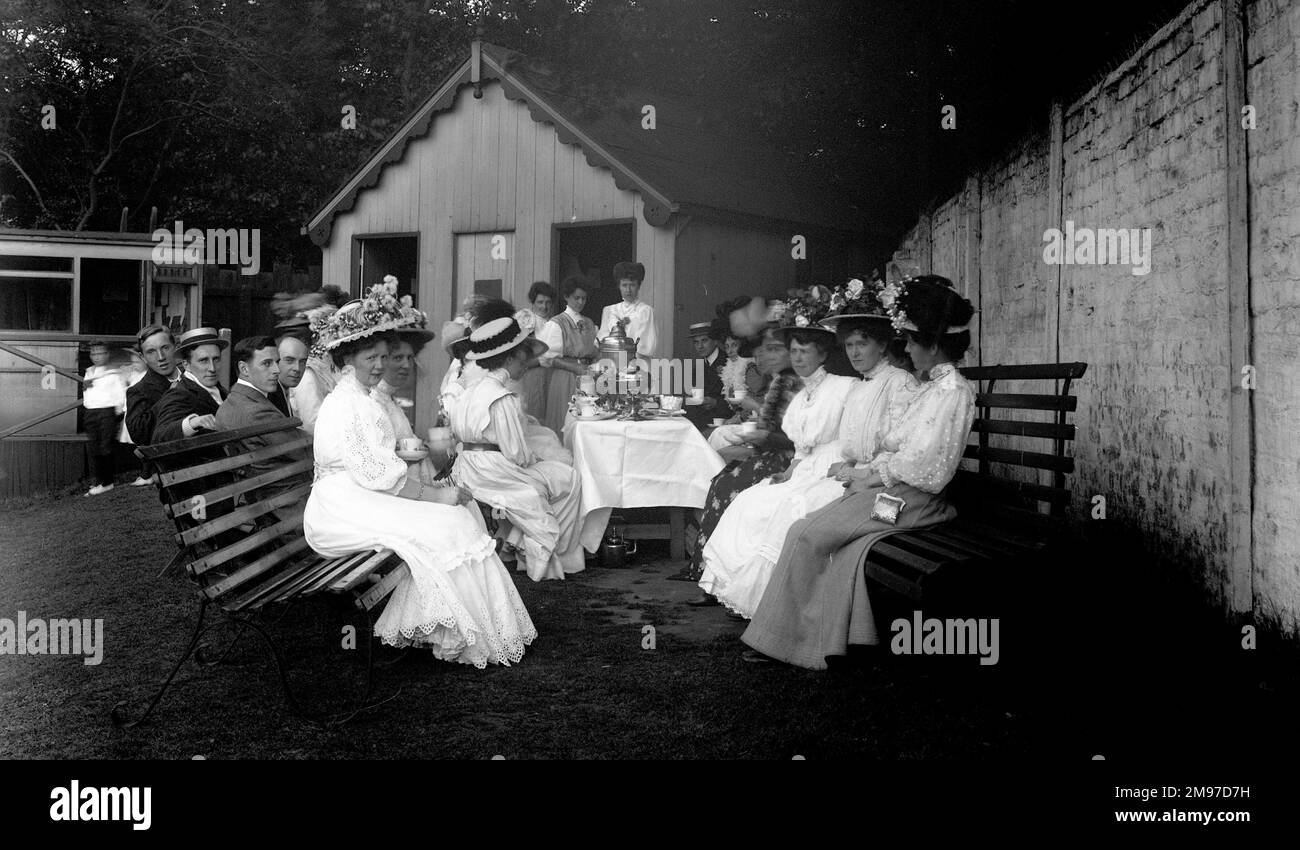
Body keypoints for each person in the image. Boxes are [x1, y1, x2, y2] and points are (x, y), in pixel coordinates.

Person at [741, 275, 977, 668]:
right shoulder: (930, 389)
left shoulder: (952, 392)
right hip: (894, 495)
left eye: (913, 343)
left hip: (909, 503)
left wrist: (871, 476)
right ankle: (810, 639)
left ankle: (787, 642)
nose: (909, 350)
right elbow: (894, 445)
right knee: (818, 532)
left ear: (934, 345)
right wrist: (871, 470)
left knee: (810, 533)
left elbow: (929, 469)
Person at [303, 289, 536, 667]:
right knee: (445, 524)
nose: (379, 365)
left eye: (383, 356)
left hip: (358, 494)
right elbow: (382, 477)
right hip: (340, 505)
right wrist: (438, 496)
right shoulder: (347, 403)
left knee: (454, 521)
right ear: (348, 358)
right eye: (371, 357)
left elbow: (381, 475)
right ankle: (449, 629)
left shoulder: (361, 397)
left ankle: (457, 626)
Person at [696, 314, 919, 618]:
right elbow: (805, 445)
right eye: (850, 344)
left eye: (861, 344)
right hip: (827, 469)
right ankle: (745, 592)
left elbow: (887, 446)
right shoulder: (856, 386)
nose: (854, 352)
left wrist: (854, 471)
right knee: (750, 501)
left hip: (873, 488)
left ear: (881, 346)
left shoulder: (858, 385)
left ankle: (780, 608)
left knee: (791, 510)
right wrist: (790, 472)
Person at [449, 317, 586, 581]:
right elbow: (517, 455)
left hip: (466, 467)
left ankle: (520, 543)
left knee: (553, 474)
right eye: (523, 357)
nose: (526, 364)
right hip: (494, 473)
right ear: (508, 359)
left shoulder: (469, 391)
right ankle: (545, 558)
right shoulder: (501, 397)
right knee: (570, 479)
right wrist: (538, 458)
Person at [670, 324, 803, 584]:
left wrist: (759, 431)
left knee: (724, 484)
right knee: (719, 479)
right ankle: (707, 569)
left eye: (776, 350)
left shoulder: (792, 383)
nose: (767, 356)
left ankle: (714, 574)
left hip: (786, 459)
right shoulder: (780, 380)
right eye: (765, 350)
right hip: (770, 452)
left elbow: (794, 436)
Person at [214, 336, 313, 502]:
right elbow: (305, 450)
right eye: (267, 363)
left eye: (276, 362)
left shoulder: (235, 401)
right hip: (287, 502)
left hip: (272, 496)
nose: (276, 370)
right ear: (244, 369)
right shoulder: (255, 412)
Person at [373, 310, 444, 485]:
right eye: (398, 358)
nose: (406, 365)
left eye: (410, 358)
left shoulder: (390, 399)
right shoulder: (373, 401)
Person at [537, 277, 599, 437]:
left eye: (583, 298)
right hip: (565, 377)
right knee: (565, 418)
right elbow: (548, 358)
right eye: (576, 298)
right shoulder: (557, 323)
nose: (580, 302)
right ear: (566, 297)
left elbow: (595, 351)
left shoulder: (589, 323)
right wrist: (575, 367)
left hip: (586, 376)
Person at [151, 327, 229, 444]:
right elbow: (160, 436)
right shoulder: (179, 394)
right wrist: (191, 423)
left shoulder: (219, 389)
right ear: (187, 365)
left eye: (216, 359)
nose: (212, 368)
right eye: (204, 360)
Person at [125, 325, 182, 452]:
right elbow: (138, 435)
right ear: (143, 357)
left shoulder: (194, 375)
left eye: (165, 348)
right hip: (168, 462)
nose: (161, 357)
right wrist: (169, 397)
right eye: (151, 352)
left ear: (175, 348)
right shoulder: (138, 391)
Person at [81, 340, 127, 496]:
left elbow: (121, 394)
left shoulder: (114, 372)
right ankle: (98, 481)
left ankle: (107, 482)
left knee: (105, 446)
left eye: (100, 353)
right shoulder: (89, 372)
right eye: (93, 353)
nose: (96, 356)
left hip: (107, 412)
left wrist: (117, 413)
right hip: (91, 412)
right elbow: (87, 393)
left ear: (107, 354)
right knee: (94, 447)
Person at [514, 281, 556, 425]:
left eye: (548, 302)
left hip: (550, 374)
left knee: (548, 415)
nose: (544, 307)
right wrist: (540, 360)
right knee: (533, 414)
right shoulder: (525, 320)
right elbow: (519, 355)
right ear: (533, 302)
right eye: (540, 302)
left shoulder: (554, 323)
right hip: (530, 374)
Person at [597, 261, 657, 358]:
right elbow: (602, 340)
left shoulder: (645, 311)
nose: (628, 290)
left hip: (637, 363)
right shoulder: (609, 311)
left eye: (632, 285)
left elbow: (646, 346)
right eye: (624, 285)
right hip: (612, 361)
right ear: (619, 286)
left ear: (639, 286)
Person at [684, 320, 727, 430]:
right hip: (701, 422)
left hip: (723, 422)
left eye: (704, 341)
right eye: (696, 342)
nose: (700, 346)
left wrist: (716, 402)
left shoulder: (729, 362)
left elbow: (741, 397)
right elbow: (693, 397)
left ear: (715, 341)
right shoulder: (698, 366)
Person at [274, 333, 311, 420]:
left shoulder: (282, 391)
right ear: (275, 361)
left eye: (302, 362)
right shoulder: (270, 398)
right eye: (289, 361)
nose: (297, 368)